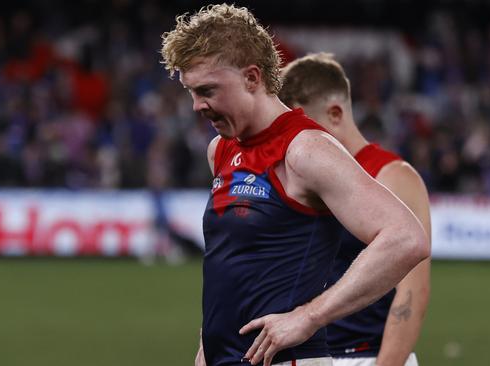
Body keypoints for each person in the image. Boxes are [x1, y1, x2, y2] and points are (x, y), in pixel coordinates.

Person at [160, 4, 429, 366]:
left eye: (207, 90)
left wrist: (309, 317)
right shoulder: (221, 149)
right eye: (191, 92)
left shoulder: (305, 149)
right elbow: (235, 268)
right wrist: (205, 347)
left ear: (252, 78)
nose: (196, 106)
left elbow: (405, 238)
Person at [279, 53, 431, 366]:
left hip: (367, 357)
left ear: (335, 113)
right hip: (306, 356)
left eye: (301, 124)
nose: (293, 138)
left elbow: (412, 292)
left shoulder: (392, 176)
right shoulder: (296, 175)